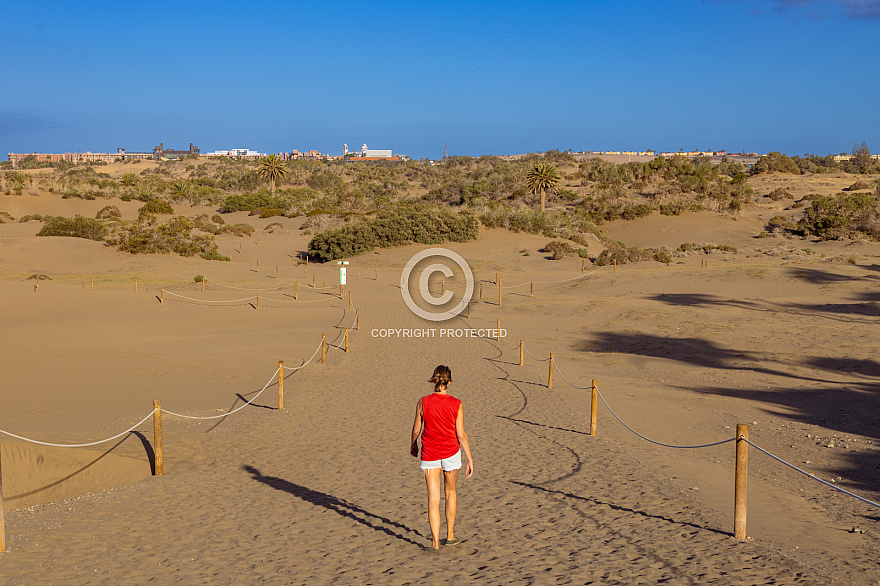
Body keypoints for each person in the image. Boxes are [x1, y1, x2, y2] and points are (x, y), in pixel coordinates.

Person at [410, 365, 474, 550]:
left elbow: (416, 429)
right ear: (449, 381)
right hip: (451, 453)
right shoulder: (456, 403)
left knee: (433, 498)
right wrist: (469, 458)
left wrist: (413, 445)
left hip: (430, 453)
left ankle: (435, 542)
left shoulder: (423, 402)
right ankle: (450, 535)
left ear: (433, 380)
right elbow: (461, 434)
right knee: (451, 493)